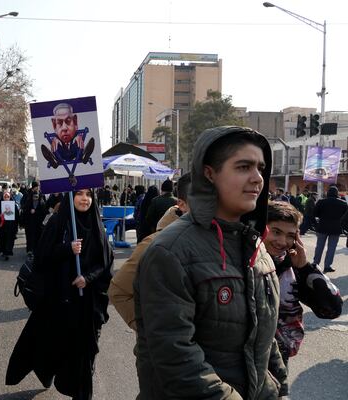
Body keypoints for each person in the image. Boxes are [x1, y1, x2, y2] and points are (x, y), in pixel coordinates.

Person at [134, 127, 287, 399]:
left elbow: (263, 332)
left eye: (260, 168)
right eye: (243, 167)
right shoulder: (170, 251)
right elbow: (175, 356)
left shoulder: (256, 246)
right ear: (209, 173)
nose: (257, 178)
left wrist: (278, 385)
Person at [6, 189, 113, 399]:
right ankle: (47, 372)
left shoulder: (95, 224)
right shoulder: (58, 222)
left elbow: (105, 261)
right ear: (70, 198)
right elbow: (42, 257)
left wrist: (88, 277)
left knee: (85, 352)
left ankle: (80, 393)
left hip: (87, 304)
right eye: (79, 194)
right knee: (54, 345)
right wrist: (67, 249)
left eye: (89, 195)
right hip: (59, 300)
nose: (85, 199)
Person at [264, 201, 342, 375]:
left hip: (277, 362)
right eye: (276, 232)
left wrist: (306, 267)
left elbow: (332, 309)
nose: (282, 241)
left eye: (290, 235)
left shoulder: (293, 267)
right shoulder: (243, 262)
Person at [108, 173, 191, 330]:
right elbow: (118, 291)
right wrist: (152, 332)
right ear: (182, 204)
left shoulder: (227, 241)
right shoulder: (155, 244)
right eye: (201, 197)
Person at [41, 103, 94, 168]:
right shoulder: (57, 137)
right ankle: (54, 160)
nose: (64, 128)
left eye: (68, 121)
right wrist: (54, 138)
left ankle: (84, 155)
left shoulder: (76, 136)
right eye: (59, 123)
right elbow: (55, 139)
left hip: (75, 152)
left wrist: (78, 135)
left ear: (75, 121)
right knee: (55, 146)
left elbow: (76, 134)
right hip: (61, 154)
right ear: (54, 125)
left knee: (79, 144)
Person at [312, 186, 347, 272]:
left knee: (319, 246)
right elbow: (345, 217)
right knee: (332, 248)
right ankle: (327, 266)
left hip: (322, 227)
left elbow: (315, 213)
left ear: (328, 193)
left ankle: (315, 264)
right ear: (337, 193)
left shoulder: (321, 202)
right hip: (336, 228)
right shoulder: (343, 203)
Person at [21, 188, 48, 254]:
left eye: (36, 197)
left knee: (38, 237)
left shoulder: (42, 203)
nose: (35, 198)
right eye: (34, 197)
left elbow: (44, 213)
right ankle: (30, 250)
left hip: (39, 224)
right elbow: (25, 212)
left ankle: (37, 250)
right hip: (30, 224)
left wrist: (36, 211)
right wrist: (29, 211)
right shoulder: (29, 202)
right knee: (30, 238)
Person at [0, 191, 19, 260]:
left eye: (8, 197)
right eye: (5, 197)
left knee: (9, 239)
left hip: (11, 226)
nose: (6, 198)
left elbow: (16, 216)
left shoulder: (13, 205)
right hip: (2, 226)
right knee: (2, 239)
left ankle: (7, 252)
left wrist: (16, 225)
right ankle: (3, 251)